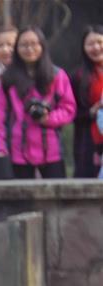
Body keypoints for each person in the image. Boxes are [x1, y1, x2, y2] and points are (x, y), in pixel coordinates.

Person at [0, 26, 76, 179]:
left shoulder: (57, 75)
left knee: (56, 199)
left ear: (42, 46)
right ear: (17, 48)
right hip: (18, 150)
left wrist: (49, 118)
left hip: (51, 150)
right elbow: (0, 116)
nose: (29, 48)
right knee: (21, 199)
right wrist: (0, 146)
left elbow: (69, 108)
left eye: (34, 44)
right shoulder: (8, 78)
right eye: (24, 45)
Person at [69, 24, 103, 178]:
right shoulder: (78, 76)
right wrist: (92, 111)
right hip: (89, 142)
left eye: (100, 42)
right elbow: (70, 112)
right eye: (90, 44)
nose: (96, 47)